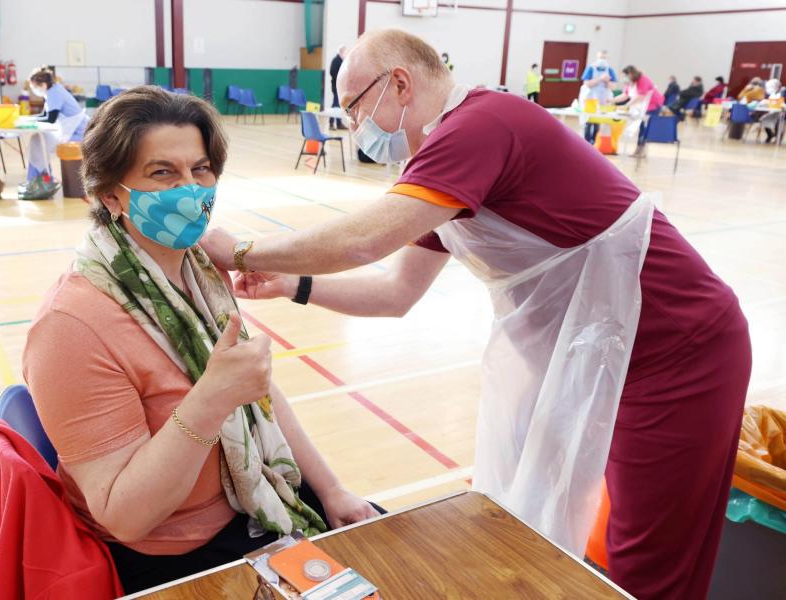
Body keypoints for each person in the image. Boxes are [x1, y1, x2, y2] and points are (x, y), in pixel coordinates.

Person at [200, 29, 750, 600]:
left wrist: (243, 251)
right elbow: (397, 293)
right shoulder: (441, 158)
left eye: (354, 105)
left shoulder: (479, 126)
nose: (353, 123)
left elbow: (368, 240)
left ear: (399, 83)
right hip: (601, 354)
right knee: (565, 516)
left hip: (678, 352)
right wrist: (294, 284)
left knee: (650, 557)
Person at [22, 86, 381, 595]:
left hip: (258, 497)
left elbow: (257, 394)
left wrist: (331, 489)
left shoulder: (198, 272)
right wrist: (210, 399)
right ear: (109, 194)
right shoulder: (70, 328)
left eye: (201, 169)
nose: (190, 189)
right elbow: (124, 517)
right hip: (179, 554)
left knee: (394, 556)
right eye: (162, 172)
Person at [19, 66, 89, 200]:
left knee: (39, 142)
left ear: (43, 84)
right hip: (68, 129)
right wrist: (29, 119)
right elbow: (45, 114)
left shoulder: (54, 93)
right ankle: (40, 179)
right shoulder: (52, 91)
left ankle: (41, 181)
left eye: (34, 86)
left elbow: (50, 119)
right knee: (37, 140)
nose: (34, 90)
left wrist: (30, 120)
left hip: (77, 132)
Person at [615, 65, 665, 157]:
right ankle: (640, 150)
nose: (624, 78)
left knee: (644, 127)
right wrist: (611, 100)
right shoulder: (630, 83)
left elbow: (641, 97)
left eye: (625, 75)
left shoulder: (643, 80)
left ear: (630, 74)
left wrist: (626, 105)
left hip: (652, 105)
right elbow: (625, 95)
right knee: (641, 127)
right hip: (641, 107)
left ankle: (640, 150)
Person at [581, 50, 617, 143]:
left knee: (598, 121)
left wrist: (607, 81)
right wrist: (600, 79)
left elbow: (613, 87)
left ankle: (594, 142)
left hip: (603, 99)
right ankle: (586, 141)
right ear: (597, 58)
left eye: (604, 58)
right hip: (591, 98)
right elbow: (587, 84)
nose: (602, 60)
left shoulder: (610, 70)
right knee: (589, 120)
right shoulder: (591, 68)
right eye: (601, 57)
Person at [329, 45, 347, 129]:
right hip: (335, 86)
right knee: (335, 105)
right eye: (345, 52)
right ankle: (331, 123)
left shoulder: (342, 61)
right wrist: (340, 78)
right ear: (341, 52)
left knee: (338, 105)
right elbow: (332, 72)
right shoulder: (336, 61)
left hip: (340, 87)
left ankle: (339, 123)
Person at [760, 78, 783, 143]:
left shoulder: (782, 93)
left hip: (780, 113)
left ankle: (778, 137)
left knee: (778, 121)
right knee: (763, 119)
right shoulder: (771, 93)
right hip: (772, 112)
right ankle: (770, 135)